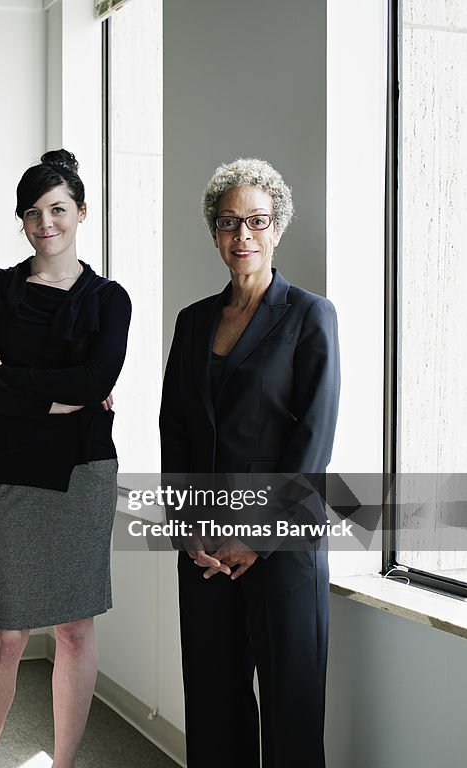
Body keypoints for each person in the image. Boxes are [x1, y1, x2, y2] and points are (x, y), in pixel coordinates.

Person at [0, 149, 131, 768]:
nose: (46, 223)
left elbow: (92, 383)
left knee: (75, 630)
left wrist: (4, 371)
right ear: (22, 221)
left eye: (58, 209)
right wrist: (47, 399)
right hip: (9, 474)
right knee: (5, 633)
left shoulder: (109, 299)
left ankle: (63, 763)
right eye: (33, 213)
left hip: (83, 474)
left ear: (81, 212)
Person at [159, 158, 340, 767]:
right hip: (205, 549)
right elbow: (175, 430)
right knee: (213, 707)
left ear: (277, 229)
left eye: (257, 222)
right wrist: (188, 532)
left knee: (291, 715)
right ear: (214, 232)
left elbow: (312, 442)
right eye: (230, 222)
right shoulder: (191, 323)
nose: (243, 236)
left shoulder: (310, 316)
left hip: (280, 549)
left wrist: (256, 539)